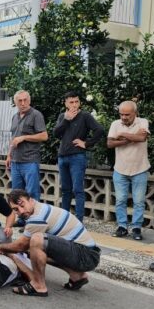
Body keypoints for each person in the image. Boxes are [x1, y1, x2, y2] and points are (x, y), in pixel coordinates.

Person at [0, 189, 101, 297]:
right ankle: (77, 276)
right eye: (16, 209)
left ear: (31, 200)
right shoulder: (39, 207)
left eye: (22, 205)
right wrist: (10, 225)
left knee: (36, 240)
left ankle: (38, 285)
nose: (21, 211)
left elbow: (20, 246)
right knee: (33, 249)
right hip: (85, 253)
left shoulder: (37, 217)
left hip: (86, 256)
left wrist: (0, 248)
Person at [52, 91, 104, 221]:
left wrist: (86, 143)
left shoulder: (85, 116)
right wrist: (66, 120)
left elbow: (99, 130)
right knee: (65, 189)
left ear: (80, 102)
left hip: (77, 157)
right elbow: (56, 134)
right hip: (63, 156)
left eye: (76, 102)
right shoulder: (62, 116)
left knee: (78, 189)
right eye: (71, 102)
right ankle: (64, 219)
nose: (74, 105)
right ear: (66, 104)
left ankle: (79, 219)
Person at [107, 101, 150, 240]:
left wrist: (122, 134)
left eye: (127, 114)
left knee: (139, 201)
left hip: (140, 168)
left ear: (135, 113)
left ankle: (136, 228)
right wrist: (132, 137)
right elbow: (110, 143)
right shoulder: (115, 124)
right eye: (121, 114)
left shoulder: (143, 122)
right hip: (120, 169)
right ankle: (122, 226)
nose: (124, 117)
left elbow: (142, 138)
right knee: (120, 200)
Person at [5, 90, 48, 201]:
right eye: (20, 101)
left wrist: (24, 137)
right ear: (16, 102)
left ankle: (35, 218)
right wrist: (9, 155)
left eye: (25, 100)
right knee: (16, 195)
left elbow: (44, 136)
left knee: (32, 193)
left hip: (30, 161)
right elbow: (13, 138)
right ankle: (21, 218)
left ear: (29, 101)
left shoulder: (36, 115)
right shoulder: (15, 117)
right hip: (15, 161)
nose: (23, 103)